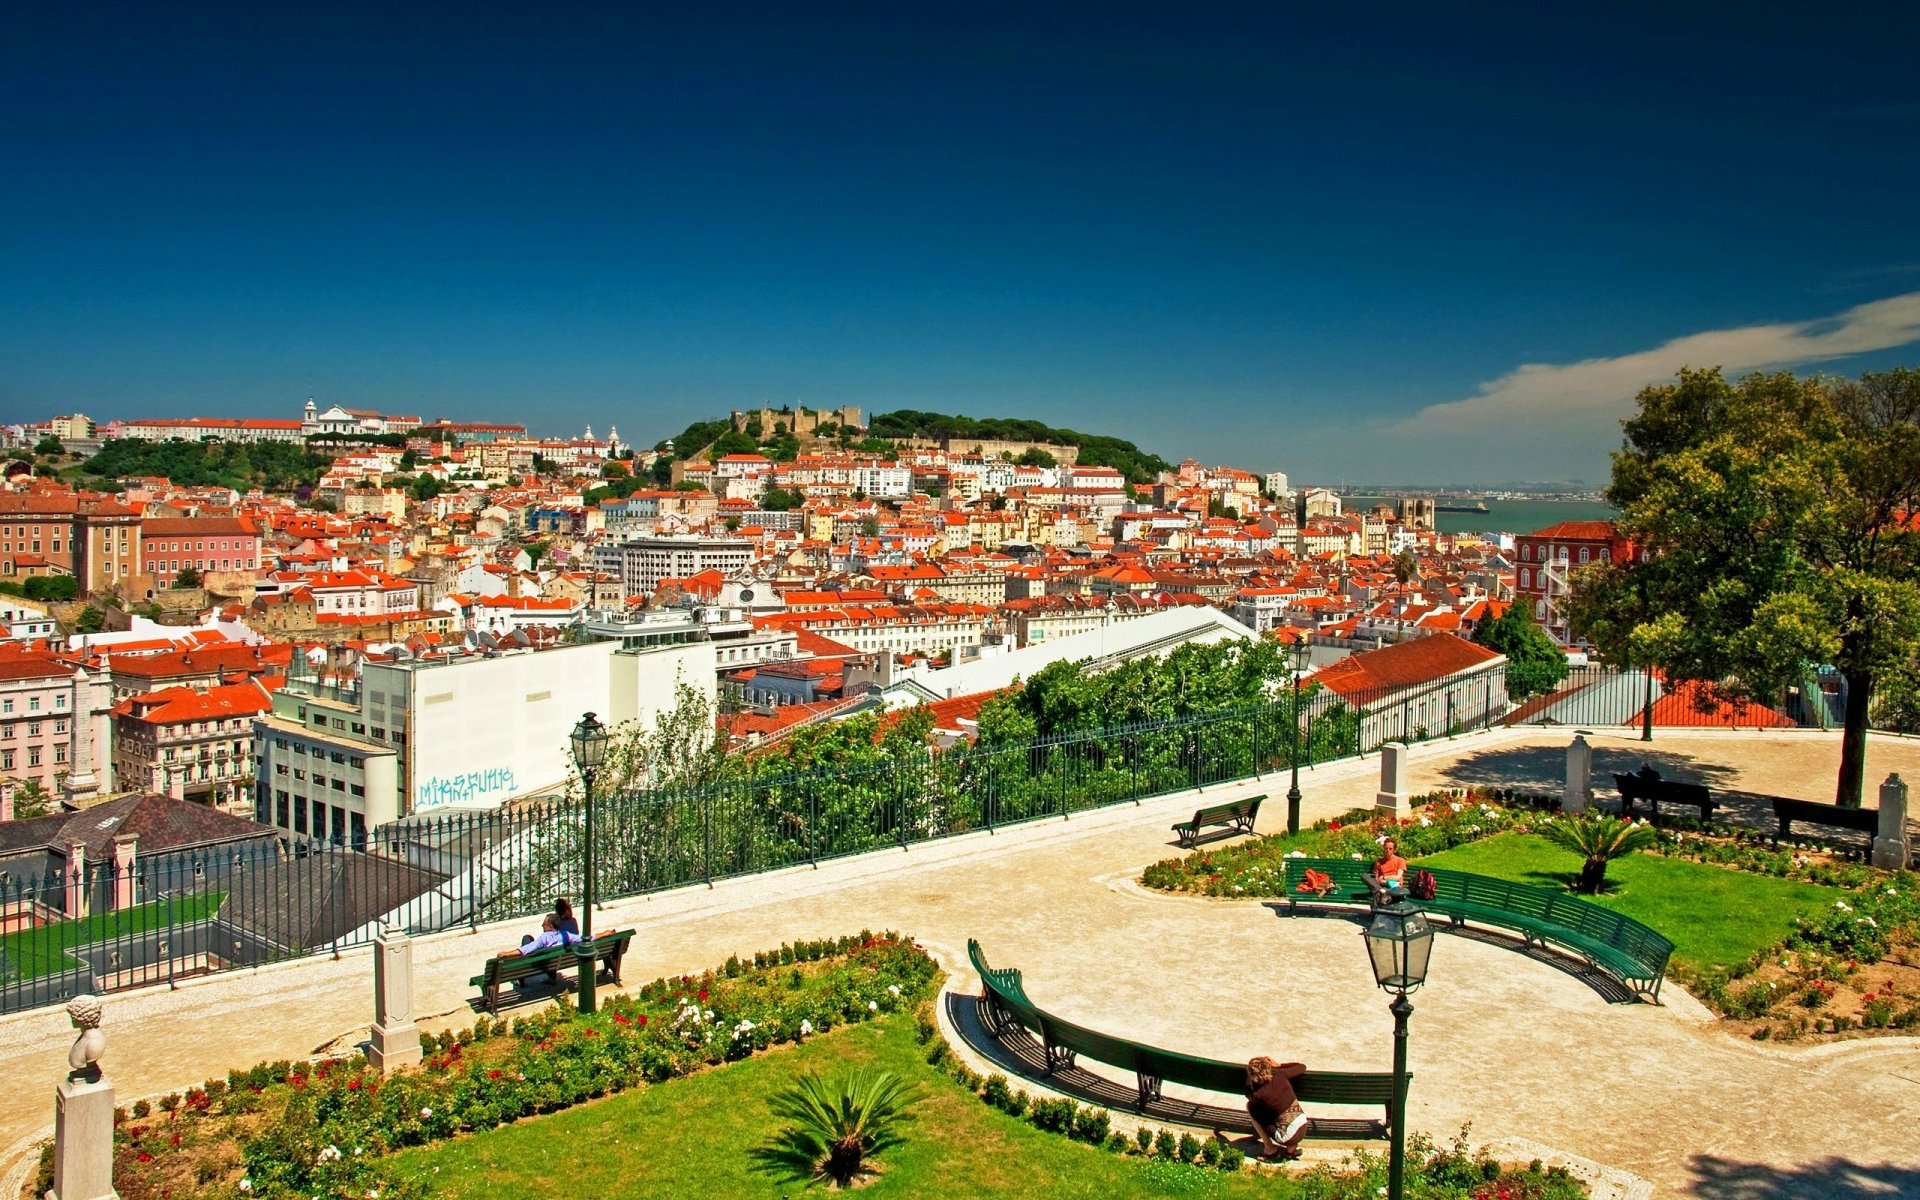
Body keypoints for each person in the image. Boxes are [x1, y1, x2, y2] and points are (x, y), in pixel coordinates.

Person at [1245, 1056, 1308, 1160]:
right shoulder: (1280, 1075)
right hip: (1302, 1126)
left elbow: (1247, 1093)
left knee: (1251, 1107)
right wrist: (1279, 1065)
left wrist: (1249, 1074)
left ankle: (1270, 1150)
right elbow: (1302, 1067)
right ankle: (1291, 1149)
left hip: (1288, 1136)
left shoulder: (1258, 1094)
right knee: (1280, 1113)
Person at [1365, 836, 1408, 906]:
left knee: (1377, 893)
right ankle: (1381, 891)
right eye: (1386, 848)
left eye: (1390, 849)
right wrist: (1380, 881)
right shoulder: (1379, 862)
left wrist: (1385, 878)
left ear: (1394, 850)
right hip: (1381, 886)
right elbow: (1376, 878)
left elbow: (1398, 877)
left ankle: (1377, 913)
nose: (1388, 850)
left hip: (1394, 887)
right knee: (1364, 876)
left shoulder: (1400, 860)